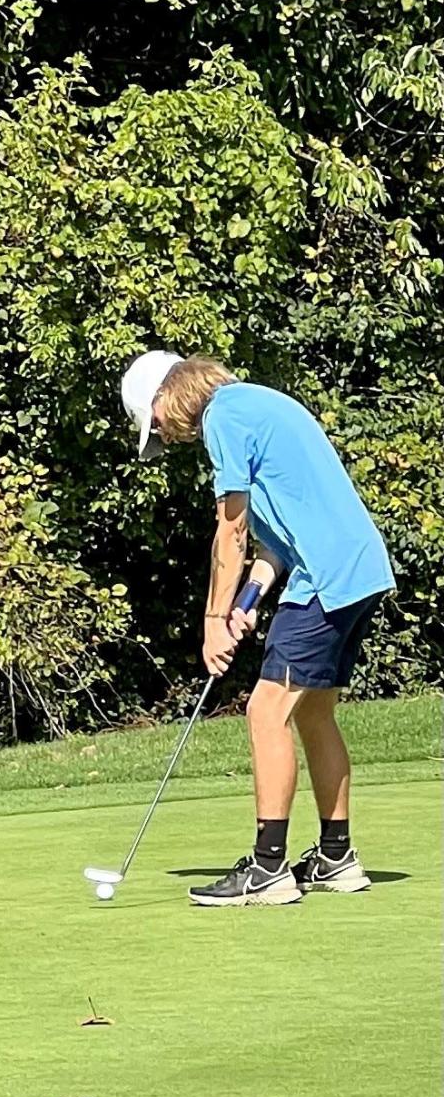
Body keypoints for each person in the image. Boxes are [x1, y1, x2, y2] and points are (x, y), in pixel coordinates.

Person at [119, 351, 395, 907]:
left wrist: (214, 621)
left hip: (327, 579)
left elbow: (232, 530)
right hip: (358, 571)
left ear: (167, 396)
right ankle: (336, 858)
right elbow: (273, 548)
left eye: (159, 425)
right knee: (313, 711)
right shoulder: (254, 406)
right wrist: (247, 599)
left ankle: (269, 867)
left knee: (264, 711)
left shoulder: (224, 415)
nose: (167, 438)